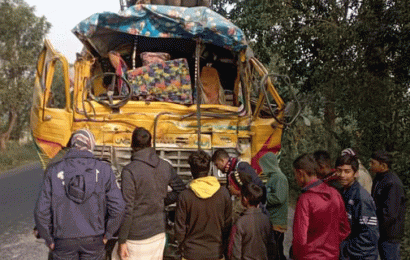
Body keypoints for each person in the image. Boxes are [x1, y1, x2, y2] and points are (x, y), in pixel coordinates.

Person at [34, 129, 125, 260]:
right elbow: (118, 207)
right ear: (91, 145)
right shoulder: (104, 170)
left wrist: (49, 239)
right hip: (94, 239)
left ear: (72, 144)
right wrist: (108, 234)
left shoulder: (53, 170)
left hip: (63, 240)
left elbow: (41, 211)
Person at [113, 127, 186, 260]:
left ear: (132, 145)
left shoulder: (129, 171)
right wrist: (161, 200)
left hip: (136, 237)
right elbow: (181, 189)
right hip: (159, 233)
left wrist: (122, 240)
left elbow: (128, 209)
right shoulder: (165, 166)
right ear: (151, 144)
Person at [175, 150, 232, 260]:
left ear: (192, 171)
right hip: (216, 252)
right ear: (210, 168)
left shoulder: (185, 196)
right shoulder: (224, 193)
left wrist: (183, 247)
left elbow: (179, 230)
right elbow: (227, 226)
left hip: (191, 253)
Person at [292, 153, 350, 260]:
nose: (295, 178)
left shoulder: (305, 199)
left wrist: (297, 255)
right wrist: (331, 243)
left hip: (310, 256)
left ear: (301, 173)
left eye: (295, 174)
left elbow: (300, 238)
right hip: (332, 255)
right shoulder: (334, 193)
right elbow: (345, 229)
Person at [336, 154, 379, 260]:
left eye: (347, 171)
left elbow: (368, 237)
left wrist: (344, 250)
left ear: (355, 173)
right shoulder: (343, 192)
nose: (342, 175)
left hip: (360, 256)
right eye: (339, 170)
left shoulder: (361, 198)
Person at [212, 148, 265, 222]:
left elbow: (257, 187)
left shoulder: (242, 167)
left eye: (217, 164)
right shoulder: (231, 170)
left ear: (222, 160)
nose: (217, 168)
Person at [370, 150, 406, 260]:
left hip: (389, 235)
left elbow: (390, 213)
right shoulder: (378, 178)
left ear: (383, 165)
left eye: (373, 163)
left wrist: (376, 228)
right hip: (381, 233)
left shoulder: (392, 183)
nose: (370, 165)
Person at [228, 183, 275, 260]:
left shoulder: (240, 222)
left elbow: (236, 251)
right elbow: (272, 246)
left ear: (245, 199)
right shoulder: (266, 220)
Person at [260, 152, 288, 260]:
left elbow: (279, 198)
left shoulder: (279, 178)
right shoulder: (272, 177)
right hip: (272, 220)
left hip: (277, 222)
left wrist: (264, 198)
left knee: (276, 251)